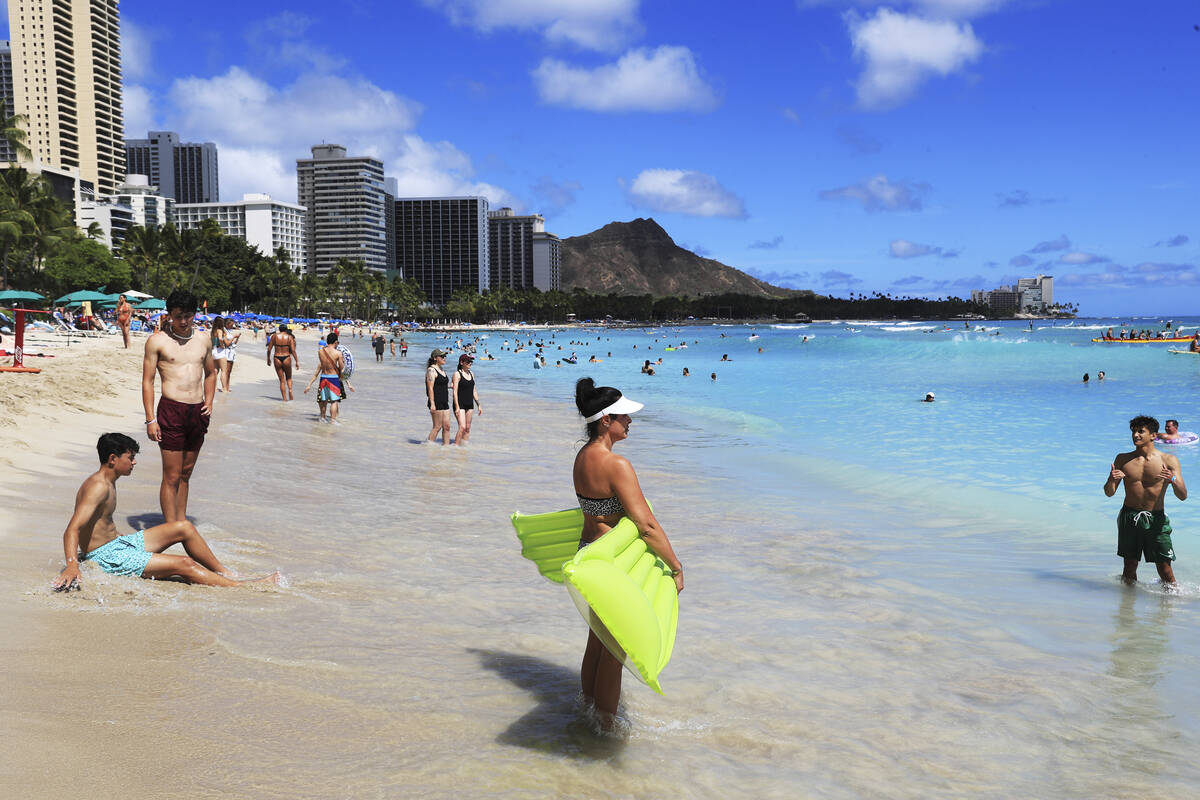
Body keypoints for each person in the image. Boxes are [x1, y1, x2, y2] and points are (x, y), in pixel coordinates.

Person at [572, 378, 683, 730]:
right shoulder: (616, 464)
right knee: (618, 647)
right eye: (624, 416)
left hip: (590, 552)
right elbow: (646, 525)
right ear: (606, 420)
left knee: (598, 638)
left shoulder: (582, 457)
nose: (630, 422)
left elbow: (595, 512)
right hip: (614, 563)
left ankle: (589, 708)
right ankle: (606, 728)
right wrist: (675, 566)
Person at [51, 433, 280, 590]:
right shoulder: (97, 486)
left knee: (184, 528)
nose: (134, 463)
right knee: (184, 565)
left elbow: (100, 525)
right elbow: (72, 529)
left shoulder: (107, 481)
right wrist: (72, 564)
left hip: (117, 545)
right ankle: (242, 587)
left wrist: (116, 537)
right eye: (130, 458)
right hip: (107, 557)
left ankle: (225, 573)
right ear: (113, 459)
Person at [141, 289, 216, 524]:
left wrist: (210, 401)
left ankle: (180, 524)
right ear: (169, 315)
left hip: (198, 411)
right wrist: (150, 419)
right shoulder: (157, 341)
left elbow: (211, 373)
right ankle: (170, 527)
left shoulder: (203, 338)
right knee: (171, 475)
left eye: (188, 316)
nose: (183, 322)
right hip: (171, 410)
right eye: (178, 316)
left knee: (185, 474)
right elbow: (147, 381)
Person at [1105, 416, 1188, 585]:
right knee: (1129, 567)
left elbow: (1183, 495)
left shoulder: (1168, 460)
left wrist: (1172, 479)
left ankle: (1170, 608)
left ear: (1153, 435)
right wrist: (1112, 480)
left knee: (1165, 569)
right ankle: (1127, 608)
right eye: (1133, 431)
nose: (1135, 435)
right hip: (1129, 516)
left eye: (1140, 431)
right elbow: (1109, 493)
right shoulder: (1122, 459)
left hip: (1156, 518)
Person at [304, 330, 351, 423]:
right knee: (334, 401)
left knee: (323, 400)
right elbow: (342, 368)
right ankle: (333, 421)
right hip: (333, 379)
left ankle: (322, 418)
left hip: (323, 377)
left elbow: (322, 364)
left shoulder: (320, 351)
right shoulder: (338, 353)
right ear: (336, 342)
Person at [451, 353, 481, 445]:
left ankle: (464, 448)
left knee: (467, 428)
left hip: (470, 404)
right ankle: (455, 447)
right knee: (462, 427)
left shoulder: (472, 374)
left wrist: (479, 405)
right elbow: (455, 392)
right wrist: (456, 407)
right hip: (460, 404)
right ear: (461, 362)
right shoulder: (457, 374)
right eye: (468, 361)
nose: (470, 363)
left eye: (471, 361)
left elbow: (474, 390)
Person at [266, 323, 299, 401]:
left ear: (279, 329)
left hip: (277, 358)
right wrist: (297, 361)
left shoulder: (274, 336)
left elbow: (269, 349)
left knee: (282, 380)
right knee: (289, 377)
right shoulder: (289, 337)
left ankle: (284, 399)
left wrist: (268, 359)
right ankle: (290, 391)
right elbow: (293, 350)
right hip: (286, 357)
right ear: (286, 329)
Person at [426, 348, 451, 445]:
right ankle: (428, 447)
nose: (444, 358)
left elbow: (440, 385)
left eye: (445, 356)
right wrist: (432, 404)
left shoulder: (441, 369)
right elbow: (430, 388)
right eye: (442, 356)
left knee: (447, 426)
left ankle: (446, 449)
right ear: (435, 358)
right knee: (437, 426)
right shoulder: (431, 370)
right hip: (436, 401)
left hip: (445, 401)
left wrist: (450, 386)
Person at [211, 317, 231, 391]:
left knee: (215, 370)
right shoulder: (219, 330)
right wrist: (222, 345)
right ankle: (224, 388)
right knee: (224, 370)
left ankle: (214, 387)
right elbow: (220, 339)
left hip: (213, 351)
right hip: (219, 351)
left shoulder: (213, 331)